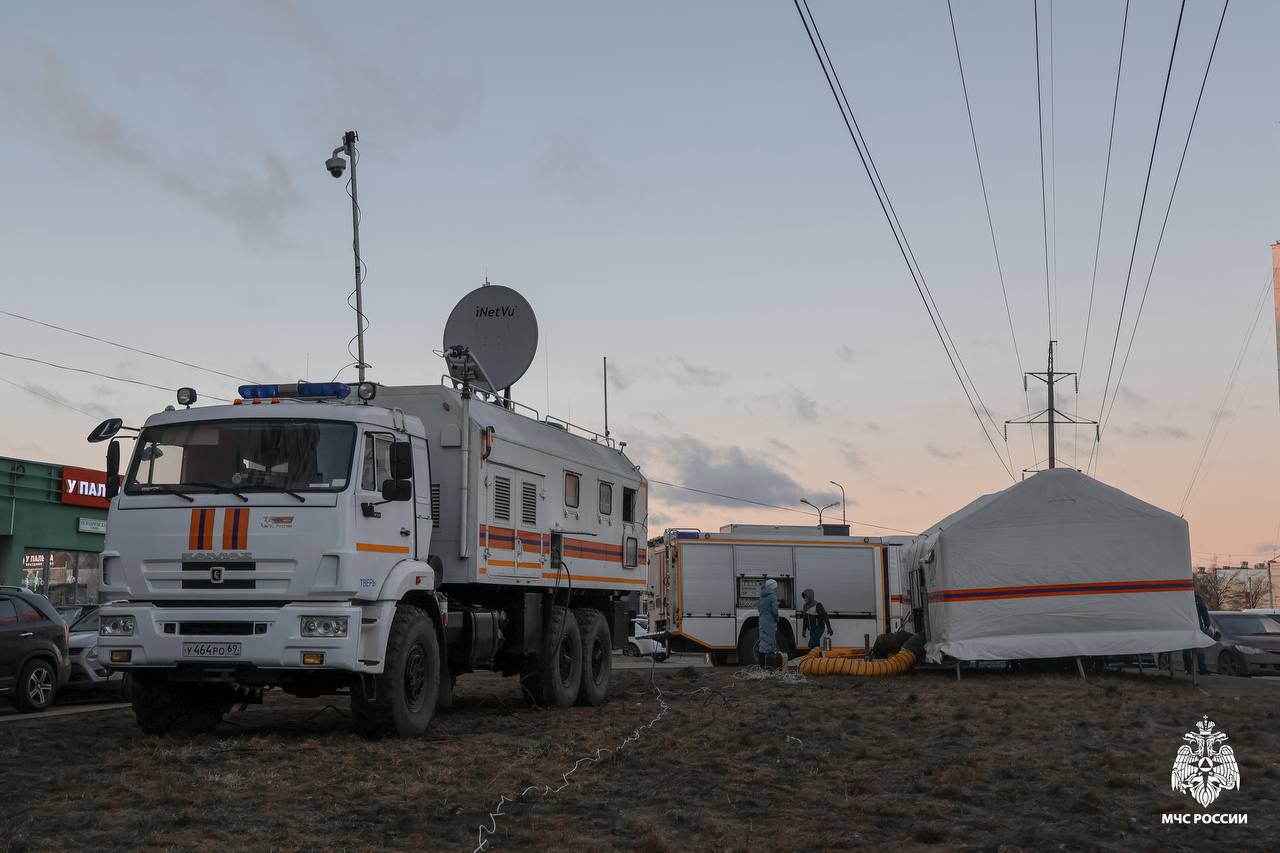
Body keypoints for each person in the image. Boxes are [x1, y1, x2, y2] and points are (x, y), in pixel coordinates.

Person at [1182, 594, 1213, 676]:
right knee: (1186, 649)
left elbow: (1204, 611)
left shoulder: (1197, 598)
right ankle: (1188, 669)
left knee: (1200, 647)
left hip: (1198, 627)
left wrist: (1207, 623)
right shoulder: (1182, 598)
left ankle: (1202, 668)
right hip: (1185, 628)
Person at [756, 578, 779, 666]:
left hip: (762, 622)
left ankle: (761, 666)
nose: (776, 589)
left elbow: (758, 609)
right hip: (770, 622)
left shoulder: (761, 596)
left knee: (763, 643)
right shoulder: (773, 596)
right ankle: (770, 667)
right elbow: (775, 611)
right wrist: (777, 619)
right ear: (773, 587)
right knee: (771, 644)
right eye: (776, 587)